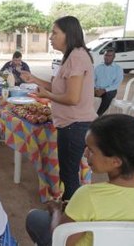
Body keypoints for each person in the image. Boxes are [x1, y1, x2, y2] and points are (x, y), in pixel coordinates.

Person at [25, 114, 134, 246]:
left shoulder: (89, 195)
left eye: (91, 150)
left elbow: (60, 241)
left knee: (34, 217)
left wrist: (57, 211)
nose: (85, 153)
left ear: (116, 161)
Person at [20, 16, 97, 201]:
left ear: (68, 34)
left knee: (69, 175)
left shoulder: (77, 56)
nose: (50, 37)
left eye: (55, 33)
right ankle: (72, 208)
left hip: (75, 125)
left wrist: (47, 96)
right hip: (70, 124)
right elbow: (59, 87)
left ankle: (71, 215)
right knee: (68, 172)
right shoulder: (70, 56)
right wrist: (34, 79)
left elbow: (72, 98)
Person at [94, 48, 123, 116]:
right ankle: (84, 113)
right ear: (103, 56)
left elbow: (116, 84)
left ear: (114, 57)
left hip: (109, 90)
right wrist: (95, 88)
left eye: (110, 56)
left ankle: (97, 115)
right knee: (84, 92)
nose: (107, 57)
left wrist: (104, 90)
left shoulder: (118, 69)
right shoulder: (98, 67)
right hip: (96, 89)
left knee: (108, 95)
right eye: (106, 55)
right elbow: (92, 79)